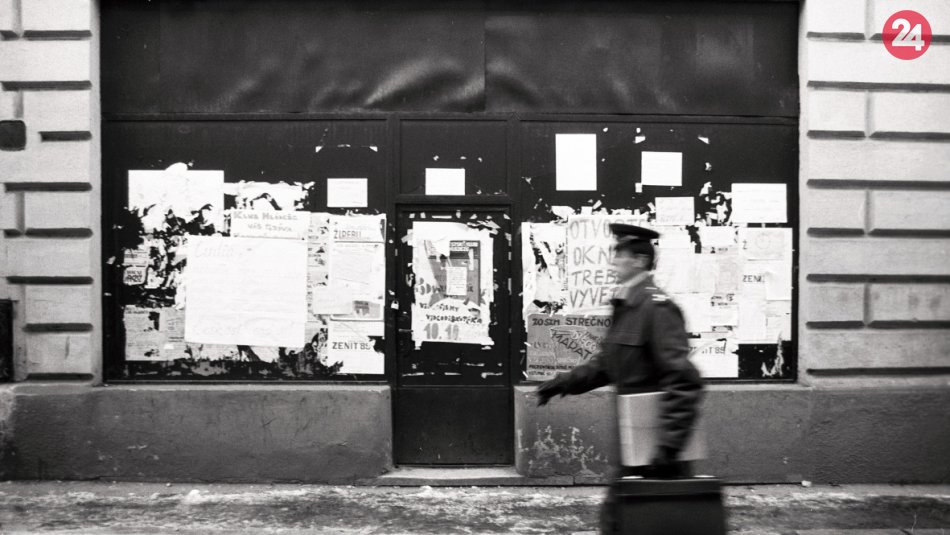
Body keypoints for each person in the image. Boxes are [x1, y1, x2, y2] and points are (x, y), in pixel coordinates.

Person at [536, 223, 704, 534]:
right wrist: (563, 383)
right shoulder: (628, 304)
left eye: (619, 256)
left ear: (639, 261)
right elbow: (607, 364)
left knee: (638, 524)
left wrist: (668, 447)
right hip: (634, 443)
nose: (612, 263)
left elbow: (684, 381)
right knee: (623, 521)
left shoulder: (657, 308)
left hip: (656, 449)